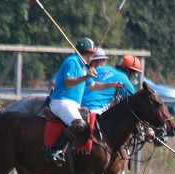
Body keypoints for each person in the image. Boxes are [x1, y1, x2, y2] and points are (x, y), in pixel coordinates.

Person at [44, 37, 122, 165]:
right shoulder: (72, 62)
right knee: (78, 124)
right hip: (61, 101)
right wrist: (86, 76)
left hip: (73, 104)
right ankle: (55, 151)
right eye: (91, 53)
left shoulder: (83, 66)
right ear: (86, 53)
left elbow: (94, 86)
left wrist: (112, 84)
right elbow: (68, 82)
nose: (92, 56)